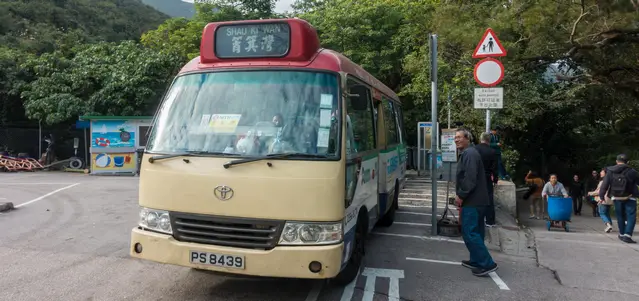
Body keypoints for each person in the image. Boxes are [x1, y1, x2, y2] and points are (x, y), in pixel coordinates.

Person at [454, 128, 498, 276]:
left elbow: (470, 178)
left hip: (473, 201)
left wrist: (461, 195)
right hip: (479, 200)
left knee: (469, 232)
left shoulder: (470, 154)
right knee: (477, 232)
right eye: (455, 137)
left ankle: (487, 263)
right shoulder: (470, 153)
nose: (456, 140)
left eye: (459, 137)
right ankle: (476, 260)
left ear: (467, 139)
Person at [599, 154, 639, 243]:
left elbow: (605, 184)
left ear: (617, 162)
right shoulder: (632, 171)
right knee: (631, 216)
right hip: (630, 196)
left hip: (616, 197)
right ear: (628, 162)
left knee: (620, 216)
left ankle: (621, 234)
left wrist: (601, 196)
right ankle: (627, 235)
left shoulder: (610, 171)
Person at [474, 132, 498, 227]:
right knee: (489, 198)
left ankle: (477, 218)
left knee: (475, 197)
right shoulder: (492, 151)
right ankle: (490, 221)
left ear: (481, 139)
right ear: (489, 140)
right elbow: (495, 168)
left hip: (476, 176)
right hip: (487, 177)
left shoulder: (475, 149)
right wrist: (495, 180)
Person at [588, 168, 613, 233]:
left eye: (602, 172)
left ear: (605, 173)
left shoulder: (603, 181)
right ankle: (610, 225)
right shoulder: (611, 181)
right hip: (609, 200)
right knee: (607, 213)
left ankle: (608, 225)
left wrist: (590, 193)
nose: (600, 173)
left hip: (603, 199)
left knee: (602, 213)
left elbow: (599, 191)